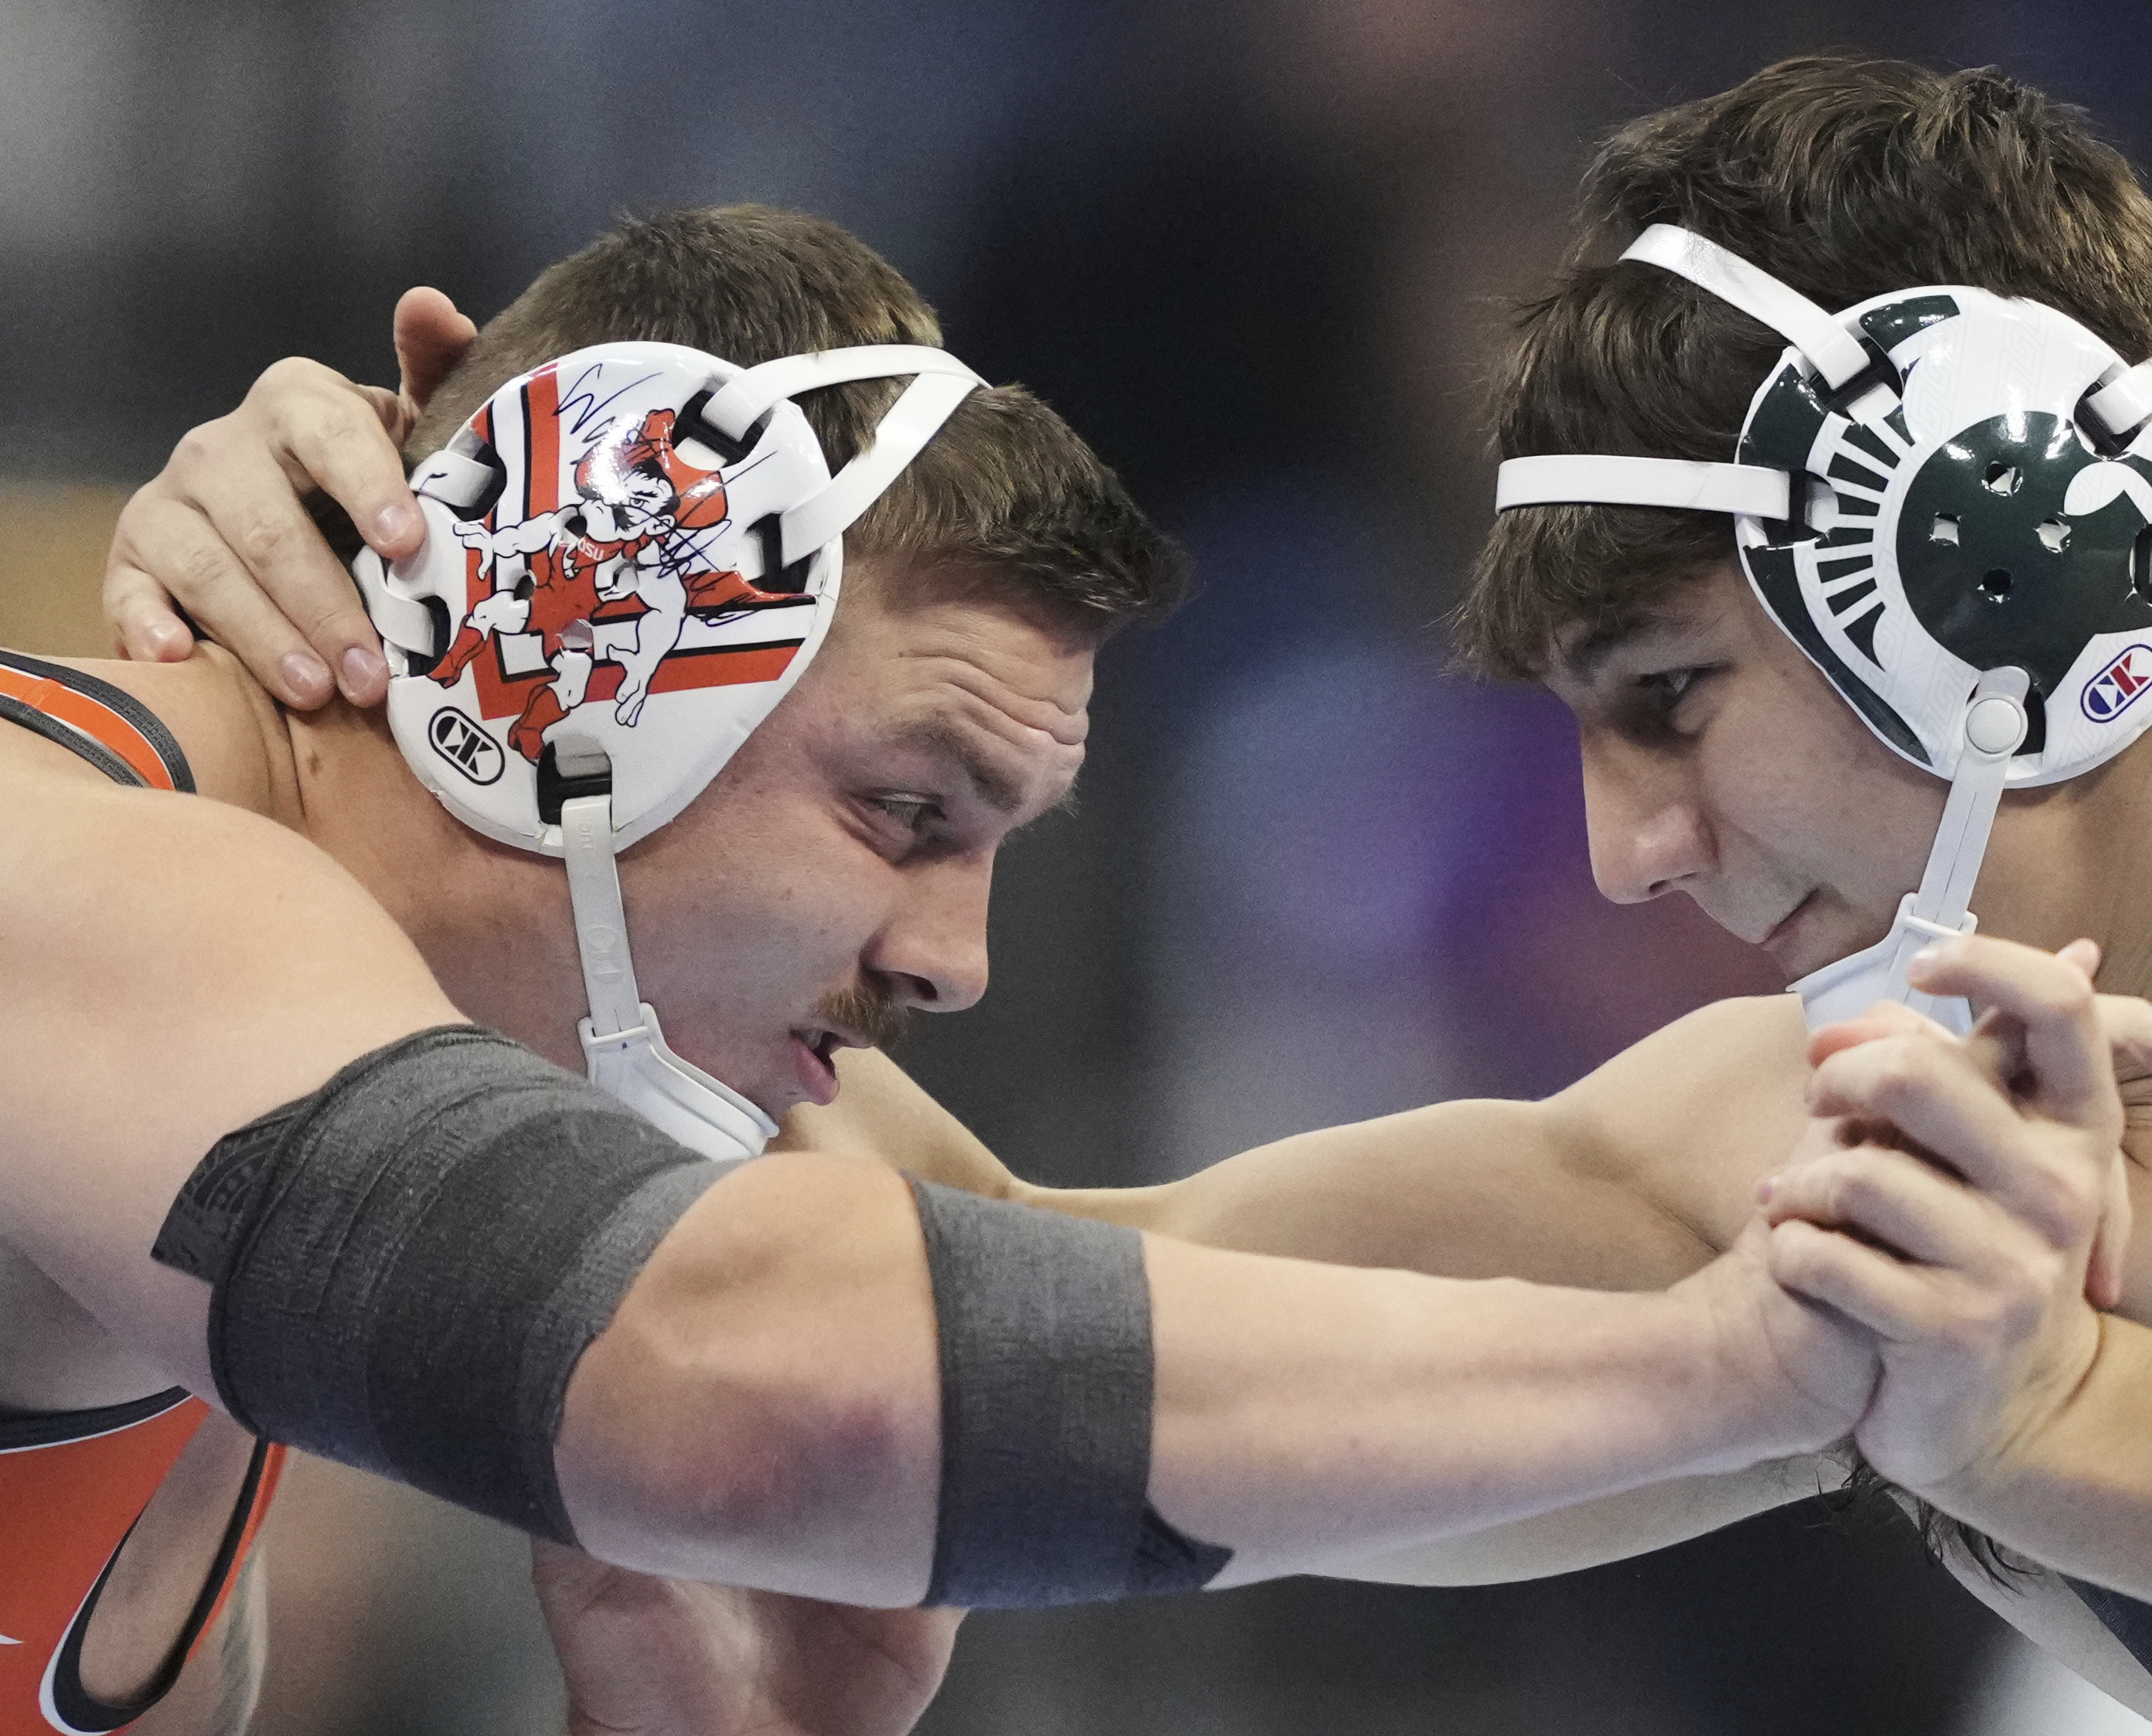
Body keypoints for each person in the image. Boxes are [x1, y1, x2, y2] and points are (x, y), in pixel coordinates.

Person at [126, 59, 2152, 1736]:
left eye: (1659, 694)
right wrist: (420, 664)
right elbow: (1030, 1297)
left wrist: (2053, 1408)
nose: (1640, 847)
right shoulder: (1878, 1148)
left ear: (1985, 548)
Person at [2, 203, 1957, 1736]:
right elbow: (750, 1370)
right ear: (557, 671)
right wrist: (1727, 1368)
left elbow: (1123, 1285)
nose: (951, 966)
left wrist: (1946, 1148)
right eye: (907, 813)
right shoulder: (76, 891)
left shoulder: (324, 1056)